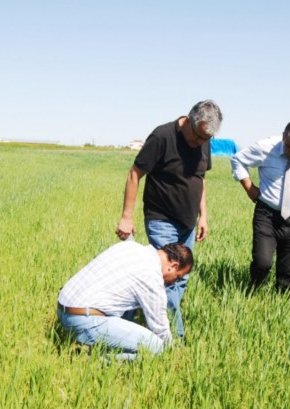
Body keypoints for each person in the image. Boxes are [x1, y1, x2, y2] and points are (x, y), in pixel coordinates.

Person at [115, 99, 222, 337]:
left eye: (206, 139)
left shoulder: (203, 141)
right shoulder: (163, 136)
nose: (200, 143)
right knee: (167, 277)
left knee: (180, 278)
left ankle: (143, 321)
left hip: (188, 224)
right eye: (198, 136)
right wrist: (126, 217)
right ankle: (173, 339)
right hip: (161, 218)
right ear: (189, 120)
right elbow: (135, 173)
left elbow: (200, 179)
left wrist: (203, 215)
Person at [230, 120, 290, 292]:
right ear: (283, 137)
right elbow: (237, 160)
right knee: (262, 263)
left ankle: (282, 305)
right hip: (267, 215)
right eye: (288, 147)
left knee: (289, 273)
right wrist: (250, 189)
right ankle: (254, 293)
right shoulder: (265, 147)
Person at [57, 241, 193, 359]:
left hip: (63, 309)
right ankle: (93, 359)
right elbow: (160, 328)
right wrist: (172, 353)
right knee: (159, 348)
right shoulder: (152, 278)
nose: (174, 283)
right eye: (177, 277)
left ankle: (92, 347)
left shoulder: (131, 247)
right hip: (84, 320)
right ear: (173, 266)